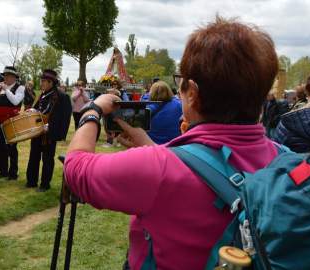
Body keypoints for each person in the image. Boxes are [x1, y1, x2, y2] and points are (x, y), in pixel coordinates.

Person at [64, 17, 280, 269]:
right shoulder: (285, 159)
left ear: (193, 93)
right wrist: (152, 148)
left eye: (182, 83)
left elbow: (76, 169)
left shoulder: (160, 167)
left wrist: (92, 110)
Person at [26, 69, 72, 191]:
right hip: (38, 131)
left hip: (49, 133)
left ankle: (45, 184)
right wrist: (32, 111)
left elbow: (65, 117)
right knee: (33, 156)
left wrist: (52, 128)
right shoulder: (42, 94)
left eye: (43, 81)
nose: (41, 83)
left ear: (51, 82)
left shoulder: (62, 96)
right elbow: (38, 110)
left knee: (47, 159)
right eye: (41, 81)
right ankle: (31, 181)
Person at [0, 66, 25, 180]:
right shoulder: (0, 88)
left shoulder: (20, 88)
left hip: (11, 121)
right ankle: (2, 171)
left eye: (8, 75)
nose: (6, 78)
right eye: (5, 75)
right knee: (0, 147)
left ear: (14, 77)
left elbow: (15, 101)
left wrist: (6, 89)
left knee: (11, 147)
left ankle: (13, 173)